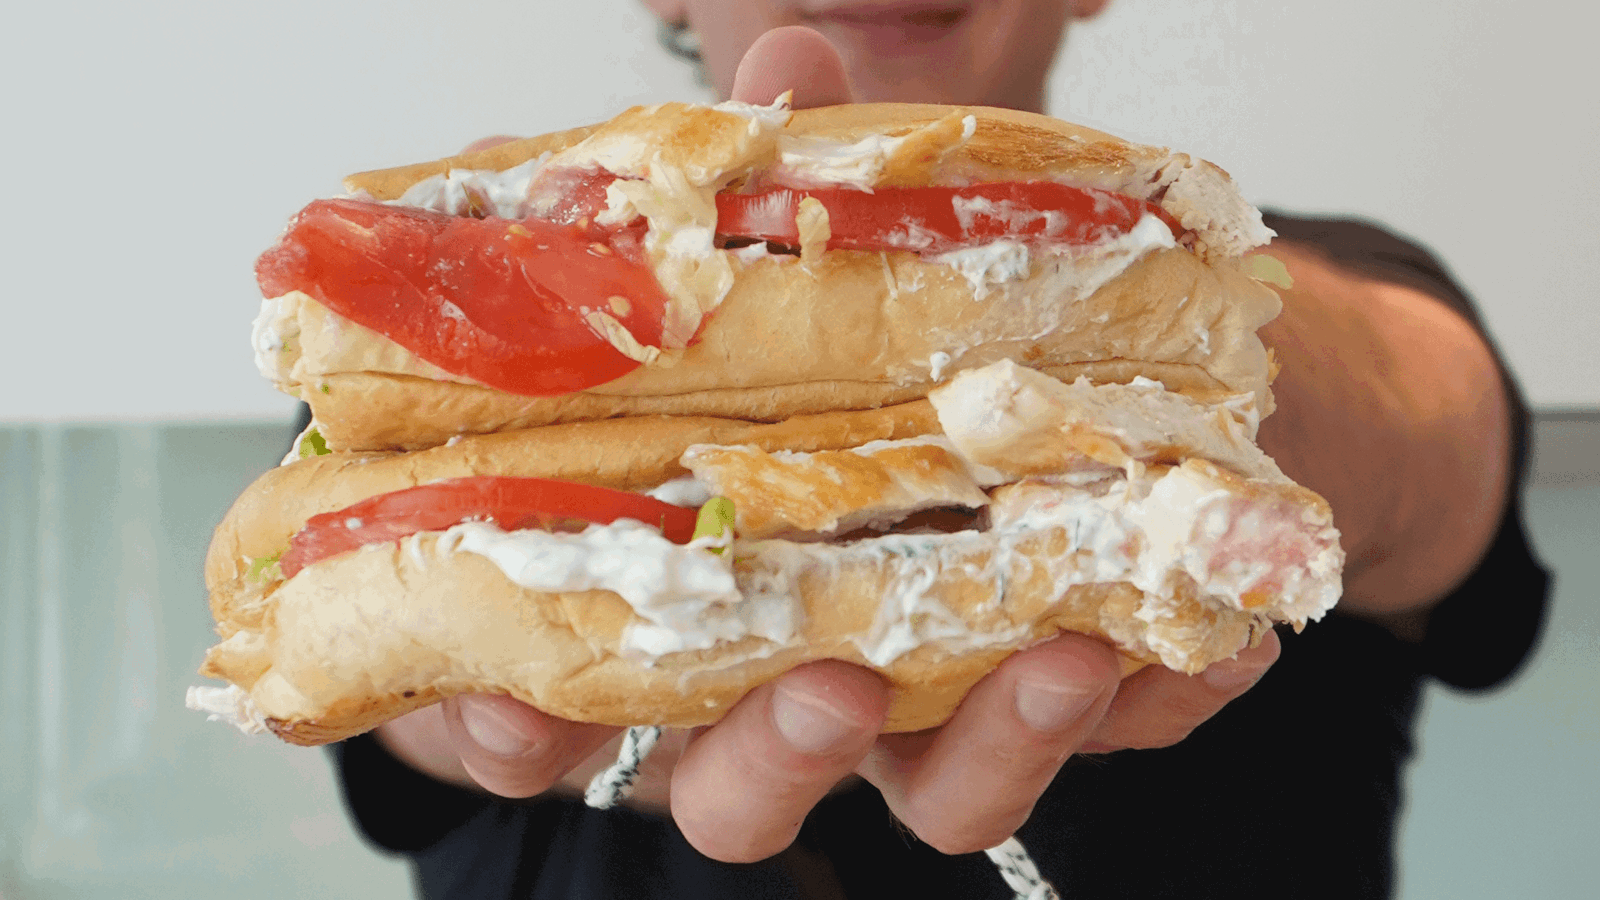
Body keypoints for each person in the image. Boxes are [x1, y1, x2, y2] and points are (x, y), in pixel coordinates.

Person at [327, 3, 1550, 897]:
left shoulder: (1289, 275)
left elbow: (1433, 436)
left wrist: (1128, 356)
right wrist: (576, 672)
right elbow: (361, 670)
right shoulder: (419, 370)